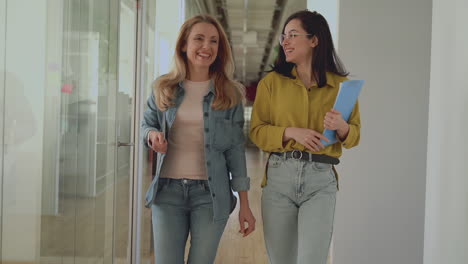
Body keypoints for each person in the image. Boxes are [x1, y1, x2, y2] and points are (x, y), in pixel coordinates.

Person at [141, 14, 256, 264]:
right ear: (184, 44)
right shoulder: (163, 87)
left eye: (214, 41)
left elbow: (236, 151)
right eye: (199, 39)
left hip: (210, 195)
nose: (207, 47)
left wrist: (245, 204)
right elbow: (146, 124)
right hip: (167, 193)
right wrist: (152, 136)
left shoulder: (230, 94)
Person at [249, 10, 361, 264]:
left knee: (313, 259)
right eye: (283, 36)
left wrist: (342, 127)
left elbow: (354, 135)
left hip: (320, 181)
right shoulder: (271, 83)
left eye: (293, 35)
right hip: (279, 178)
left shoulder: (342, 86)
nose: (285, 41)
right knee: (282, 260)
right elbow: (256, 132)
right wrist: (289, 132)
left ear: (314, 40)